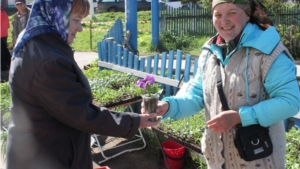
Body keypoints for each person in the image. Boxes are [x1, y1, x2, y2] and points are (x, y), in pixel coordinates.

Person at [144, 0, 300, 169]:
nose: (224, 21)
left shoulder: (268, 52)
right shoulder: (209, 52)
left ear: (247, 14)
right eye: (218, 15)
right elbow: (197, 94)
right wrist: (168, 106)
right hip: (217, 161)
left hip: (260, 160)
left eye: (232, 13)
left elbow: (289, 102)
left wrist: (240, 117)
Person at [7, 0, 159, 168]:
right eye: (76, 20)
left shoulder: (34, 40)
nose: (79, 28)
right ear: (56, 14)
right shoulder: (48, 62)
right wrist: (135, 121)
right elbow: (83, 114)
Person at [1, 3, 11, 82]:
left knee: (1, 52)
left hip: (0, 35)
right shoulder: (4, 13)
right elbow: (8, 25)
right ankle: (10, 62)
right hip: (5, 34)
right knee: (5, 50)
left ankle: (3, 67)